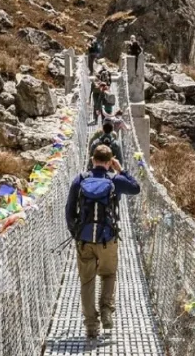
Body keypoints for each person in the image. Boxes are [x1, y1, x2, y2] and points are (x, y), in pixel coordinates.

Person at [65, 145, 140, 340]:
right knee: (108, 275)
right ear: (109, 162)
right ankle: (106, 310)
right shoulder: (115, 180)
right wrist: (121, 169)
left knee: (87, 282)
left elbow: (69, 209)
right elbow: (136, 188)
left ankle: (91, 326)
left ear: (92, 159)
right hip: (108, 238)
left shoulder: (79, 180)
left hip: (84, 239)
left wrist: (76, 232)